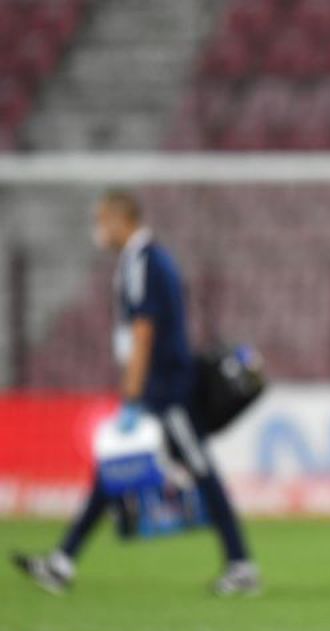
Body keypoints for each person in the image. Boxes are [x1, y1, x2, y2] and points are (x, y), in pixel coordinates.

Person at [12, 190, 260, 597]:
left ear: (118, 219)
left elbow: (143, 330)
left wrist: (132, 394)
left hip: (166, 393)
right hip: (162, 389)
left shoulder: (142, 262)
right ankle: (62, 562)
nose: (97, 231)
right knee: (114, 472)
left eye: (100, 221)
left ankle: (241, 564)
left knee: (200, 472)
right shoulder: (146, 260)